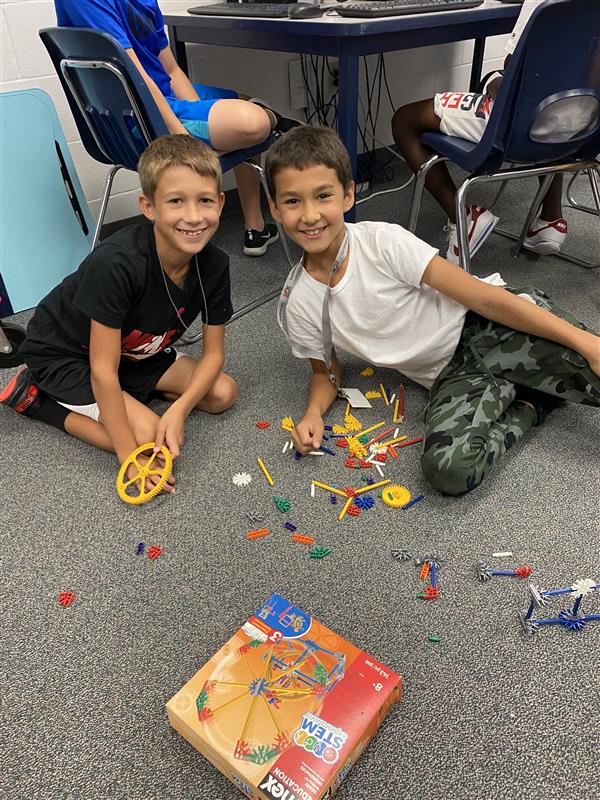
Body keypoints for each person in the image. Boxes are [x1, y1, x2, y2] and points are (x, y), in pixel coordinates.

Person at [264, 126, 600, 496]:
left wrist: (584, 343)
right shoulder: (299, 303)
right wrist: (312, 413)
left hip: (487, 327)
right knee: (449, 470)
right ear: (275, 208)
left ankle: (543, 361)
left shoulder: (382, 242)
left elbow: (483, 298)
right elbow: (325, 373)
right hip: (448, 376)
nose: (310, 215)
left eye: (323, 195)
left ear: (347, 195)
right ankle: (532, 402)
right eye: (292, 201)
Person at [0, 135, 237, 494]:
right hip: (65, 355)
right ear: (149, 207)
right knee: (149, 441)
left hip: (132, 355)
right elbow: (102, 371)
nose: (193, 216)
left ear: (220, 202)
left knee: (222, 393)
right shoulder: (117, 263)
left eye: (204, 200)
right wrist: (129, 456)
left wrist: (180, 410)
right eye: (176, 201)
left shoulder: (215, 264)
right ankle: (39, 400)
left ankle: (132, 399)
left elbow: (214, 355)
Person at [54, 0, 299, 256]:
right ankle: (276, 120)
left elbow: (171, 69)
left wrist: (203, 117)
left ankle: (256, 228)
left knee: (244, 103)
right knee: (253, 122)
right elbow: (137, 78)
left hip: (162, 98)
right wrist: (185, 141)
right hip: (137, 117)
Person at [391, 0, 567, 264]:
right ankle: (551, 220)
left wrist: (493, 85)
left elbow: (515, 71)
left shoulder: (540, 4)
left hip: (518, 126)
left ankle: (463, 217)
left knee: (405, 120)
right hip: (579, 124)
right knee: (552, 105)